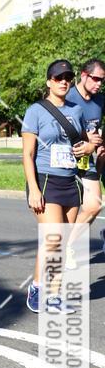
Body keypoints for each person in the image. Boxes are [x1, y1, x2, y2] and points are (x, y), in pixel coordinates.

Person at [22, 59, 97, 312]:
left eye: (67, 77)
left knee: (62, 242)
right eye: (58, 78)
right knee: (53, 238)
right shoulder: (36, 110)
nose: (64, 81)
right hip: (45, 181)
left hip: (70, 181)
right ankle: (37, 287)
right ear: (48, 82)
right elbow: (27, 154)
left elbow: (86, 142)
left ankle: (54, 297)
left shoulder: (76, 110)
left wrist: (89, 147)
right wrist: (33, 188)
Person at [64, 58, 104, 260]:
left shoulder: (100, 101)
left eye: (102, 81)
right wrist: (85, 138)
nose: (99, 84)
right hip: (64, 161)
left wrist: (100, 145)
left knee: (94, 205)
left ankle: (68, 245)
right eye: (95, 79)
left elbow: (97, 130)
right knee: (68, 212)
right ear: (83, 75)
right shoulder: (67, 97)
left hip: (86, 160)